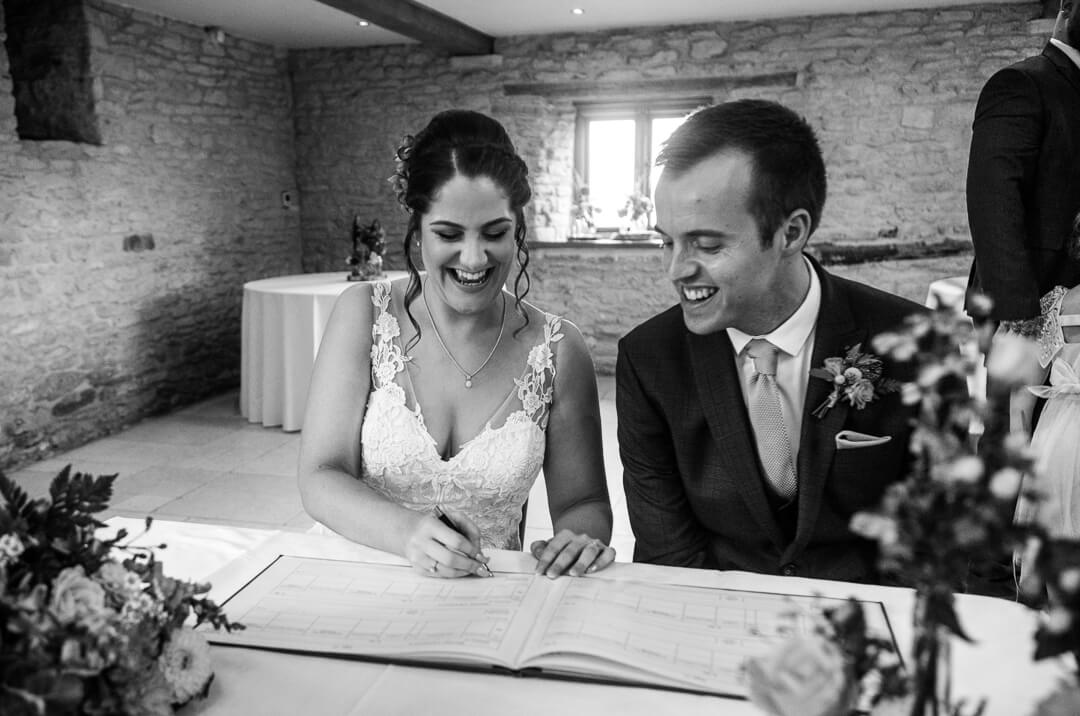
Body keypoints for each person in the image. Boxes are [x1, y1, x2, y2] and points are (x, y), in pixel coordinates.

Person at [298, 109, 615, 579]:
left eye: (495, 233)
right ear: (416, 225)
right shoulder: (363, 313)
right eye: (448, 234)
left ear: (518, 228)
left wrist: (577, 541)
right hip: (355, 577)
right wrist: (407, 533)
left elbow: (584, 502)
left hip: (485, 596)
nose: (473, 258)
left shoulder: (558, 349)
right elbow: (321, 476)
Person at [617, 99, 924, 583]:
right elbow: (667, 547)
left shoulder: (915, 343)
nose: (676, 270)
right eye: (666, 241)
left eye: (708, 245)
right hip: (712, 617)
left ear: (791, 232)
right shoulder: (648, 360)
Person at [964, 0, 1080, 345]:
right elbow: (993, 195)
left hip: (1074, 302)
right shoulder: (1022, 82)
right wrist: (1016, 307)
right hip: (1031, 304)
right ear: (1065, 10)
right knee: (1021, 400)